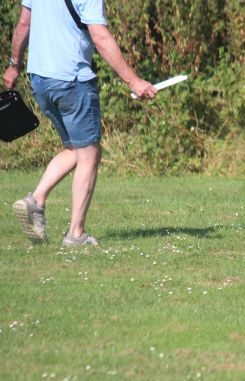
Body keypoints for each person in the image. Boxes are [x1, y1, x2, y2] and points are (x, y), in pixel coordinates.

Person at [3, 0, 157, 246]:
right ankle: (76, 234)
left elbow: (23, 24)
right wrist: (133, 81)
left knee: (75, 148)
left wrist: (14, 65)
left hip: (40, 79)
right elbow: (101, 38)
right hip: (71, 78)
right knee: (89, 153)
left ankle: (35, 201)